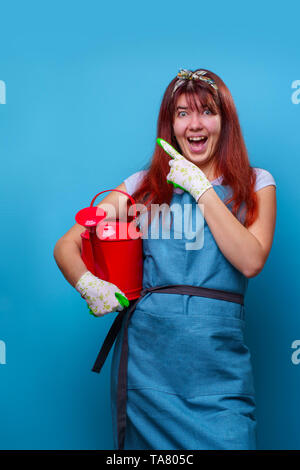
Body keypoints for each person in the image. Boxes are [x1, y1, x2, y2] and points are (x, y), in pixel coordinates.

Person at [53, 68, 277, 450]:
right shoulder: (142, 187)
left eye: (207, 111)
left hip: (219, 369)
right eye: (182, 113)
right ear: (170, 125)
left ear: (225, 121)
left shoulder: (256, 183)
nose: (196, 123)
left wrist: (202, 189)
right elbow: (67, 244)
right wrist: (87, 284)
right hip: (148, 371)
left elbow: (251, 261)